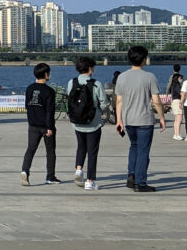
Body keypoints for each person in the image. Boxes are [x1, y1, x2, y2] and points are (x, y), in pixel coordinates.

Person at [115, 46, 165, 192]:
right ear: (144, 59)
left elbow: (119, 101)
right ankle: (140, 182)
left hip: (128, 120)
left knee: (134, 147)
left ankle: (131, 175)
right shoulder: (150, 77)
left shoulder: (122, 77)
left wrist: (119, 120)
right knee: (143, 151)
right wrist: (161, 117)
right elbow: (156, 100)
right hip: (145, 120)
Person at [67, 56, 110, 191]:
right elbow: (103, 103)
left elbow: (70, 100)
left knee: (81, 147)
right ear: (90, 68)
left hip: (77, 122)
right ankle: (90, 181)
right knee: (92, 151)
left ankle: (79, 170)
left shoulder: (71, 82)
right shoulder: (96, 83)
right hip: (93, 123)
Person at [21, 63, 58, 186]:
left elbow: (27, 106)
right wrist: (49, 127)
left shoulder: (29, 88)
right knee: (50, 151)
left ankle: (25, 171)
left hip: (32, 125)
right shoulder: (49, 91)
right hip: (45, 126)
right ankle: (50, 176)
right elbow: (49, 111)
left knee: (30, 149)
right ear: (46, 74)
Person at [167, 65, 184, 140]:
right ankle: (177, 134)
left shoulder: (171, 77)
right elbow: (183, 87)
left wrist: (167, 93)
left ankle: (176, 134)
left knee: (177, 118)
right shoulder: (181, 77)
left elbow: (168, 86)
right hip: (178, 99)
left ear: (173, 69)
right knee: (179, 118)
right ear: (179, 69)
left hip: (174, 98)